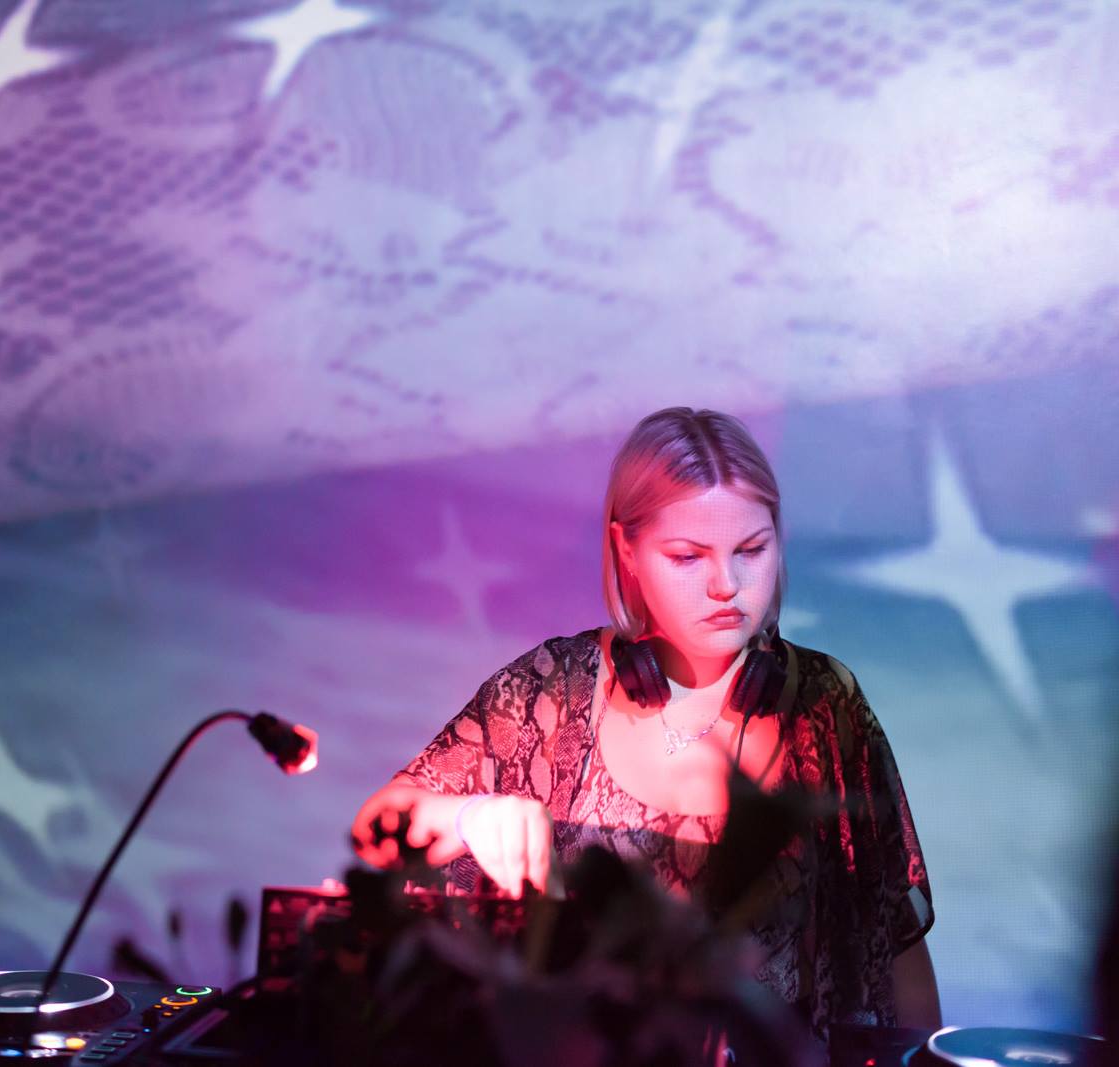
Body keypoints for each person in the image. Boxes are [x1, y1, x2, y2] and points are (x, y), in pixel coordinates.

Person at [351, 406, 941, 1041]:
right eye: (687, 557)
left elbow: (895, 941)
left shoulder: (826, 703)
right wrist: (468, 816)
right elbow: (373, 832)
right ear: (626, 550)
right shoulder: (551, 691)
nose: (726, 584)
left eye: (751, 550)